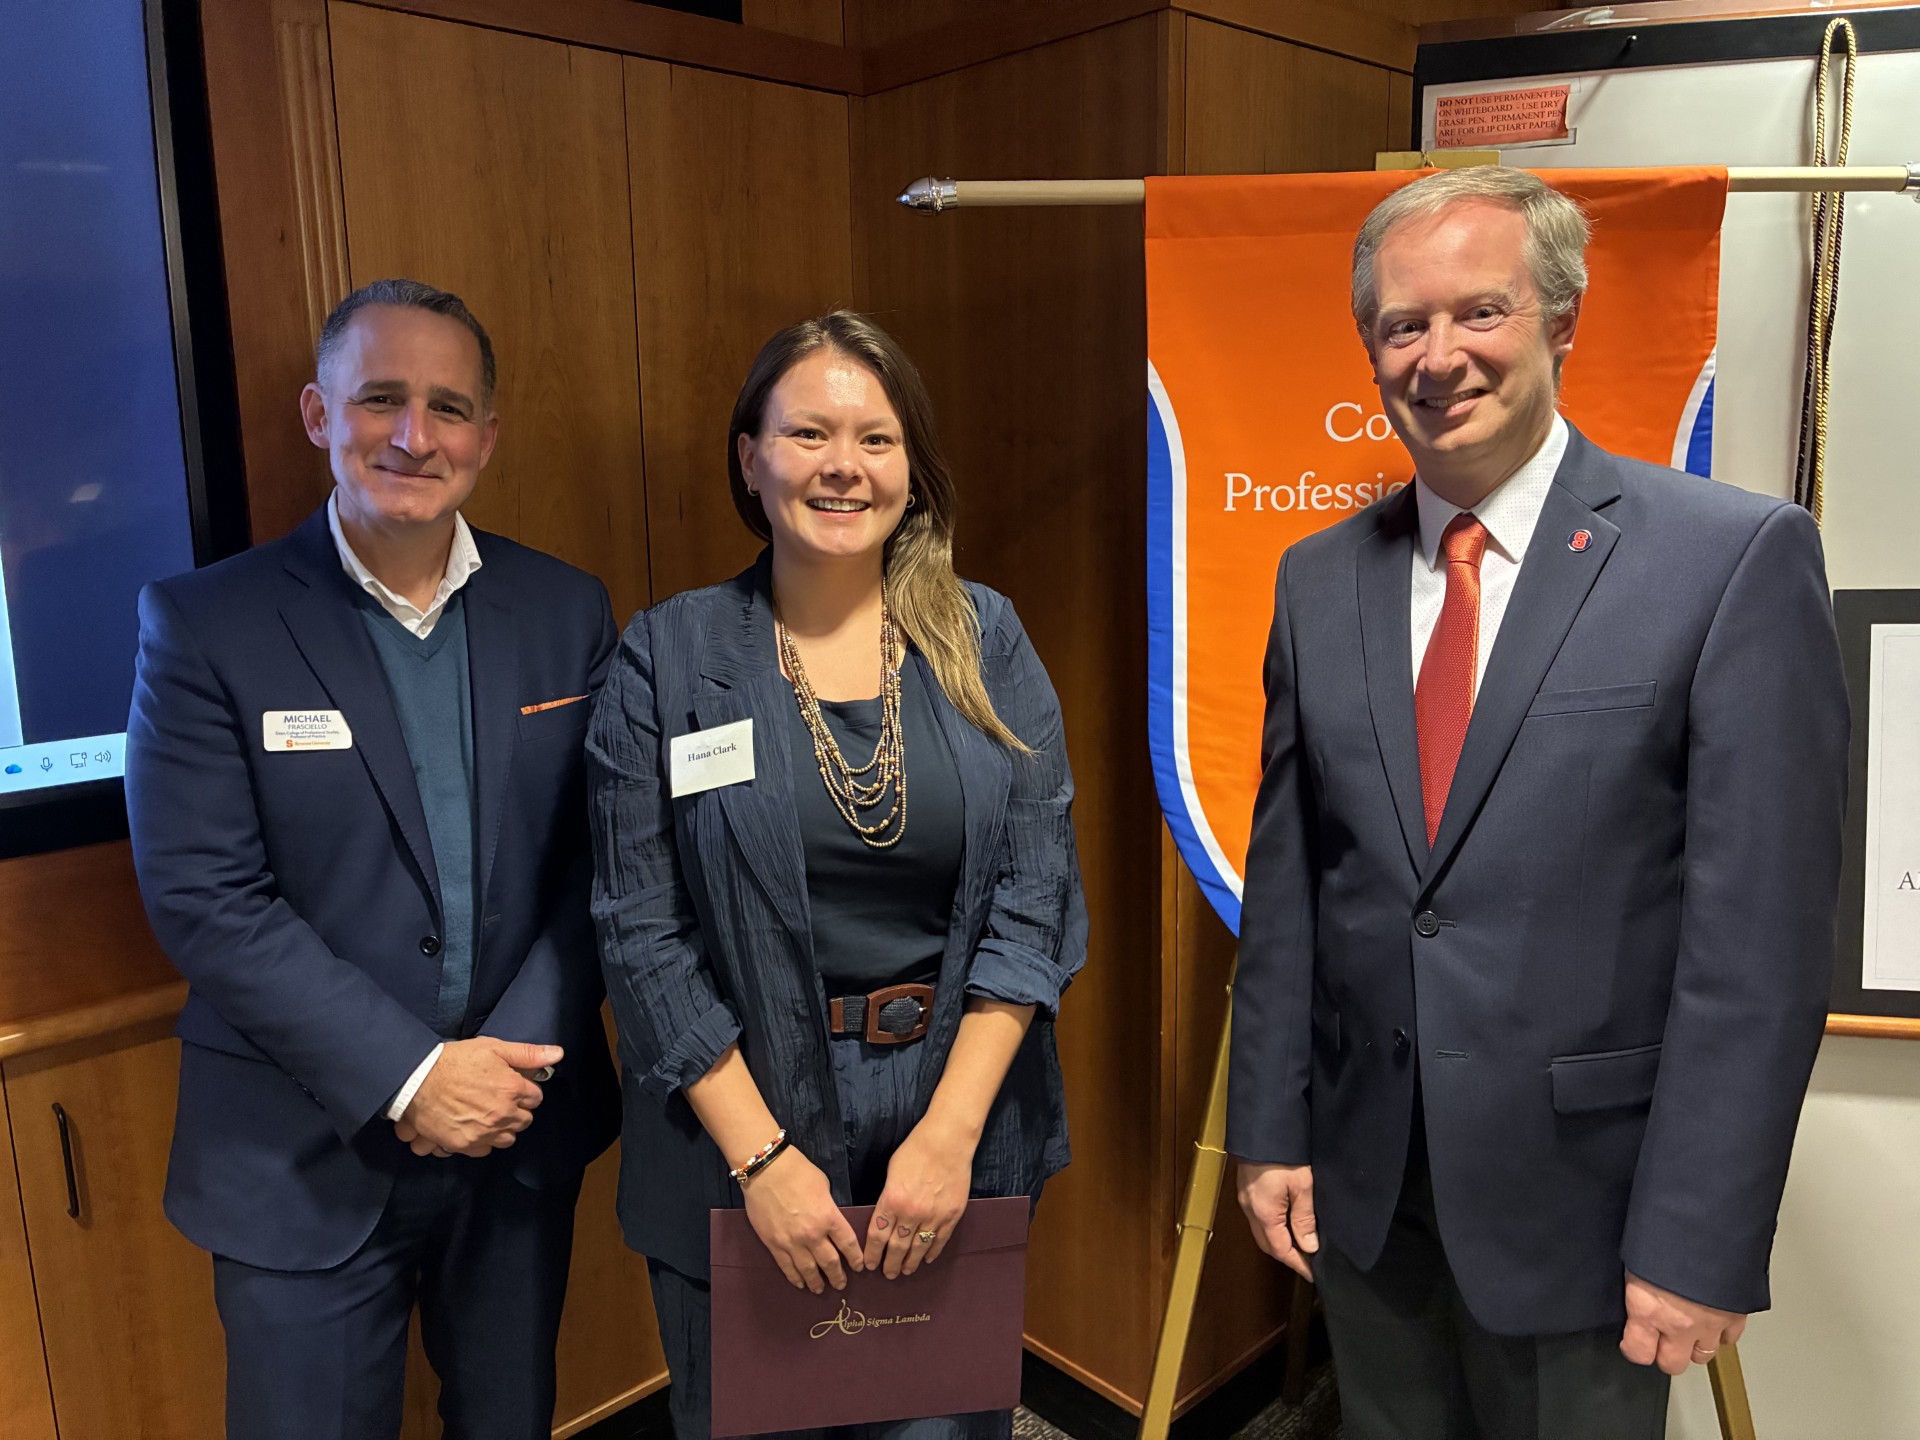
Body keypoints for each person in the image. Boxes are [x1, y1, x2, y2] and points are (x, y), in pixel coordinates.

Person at [1228, 167, 1849, 1439]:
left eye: (1481, 313)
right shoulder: (1316, 581)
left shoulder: (1728, 561)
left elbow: (1760, 950)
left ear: (1563, 318)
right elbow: (1290, 889)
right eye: (1404, 325)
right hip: (1367, 1195)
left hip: (1595, 1220)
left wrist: (1702, 1234)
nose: (1439, 355)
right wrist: (1266, 1131)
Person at [125, 278, 620, 1440]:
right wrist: (411, 1075)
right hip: (299, 1151)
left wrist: (505, 1076)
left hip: (516, 1131)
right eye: (381, 398)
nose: (414, 434)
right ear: (318, 414)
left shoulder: (566, 610)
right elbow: (205, 896)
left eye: (449, 408)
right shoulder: (205, 625)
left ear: (487, 440)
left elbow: (601, 867)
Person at [588, 310, 1084, 1440]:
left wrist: (951, 1135)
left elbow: (1036, 889)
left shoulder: (983, 636)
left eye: (877, 437)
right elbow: (638, 929)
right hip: (737, 1123)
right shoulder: (666, 659)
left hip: (956, 1107)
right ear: (750, 457)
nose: (843, 467)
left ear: (912, 468)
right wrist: (765, 1159)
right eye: (808, 433)